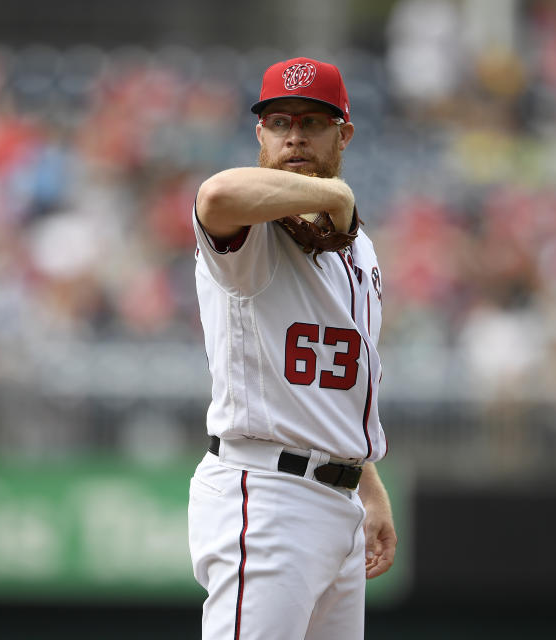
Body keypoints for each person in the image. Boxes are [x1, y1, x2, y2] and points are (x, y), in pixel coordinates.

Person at [187, 56, 397, 639]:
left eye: (312, 122)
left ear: (344, 133)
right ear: (260, 134)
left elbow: (338, 379)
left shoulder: (359, 249)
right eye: (279, 122)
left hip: (338, 505)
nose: (295, 136)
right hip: (267, 495)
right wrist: (332, 194)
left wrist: (365, 480)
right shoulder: (254, 234)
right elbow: (216, 194)